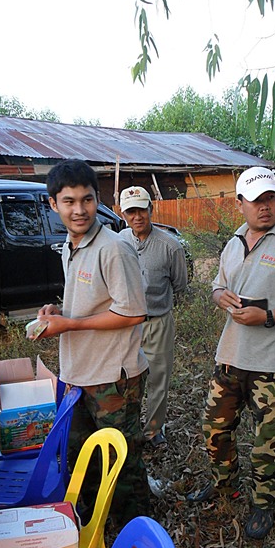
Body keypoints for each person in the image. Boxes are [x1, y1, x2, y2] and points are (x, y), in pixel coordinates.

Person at [187, 166, 275, 540]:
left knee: (266, 439)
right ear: (240, 204)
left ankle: (263, 504)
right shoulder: (233, 243)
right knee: (214, 428)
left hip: (272, 363)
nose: (265, 208)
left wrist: (267, 315)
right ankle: (224, 486)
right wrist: (223, 299)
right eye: (256, 201)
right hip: (231, 355)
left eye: (271, 199)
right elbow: (217, 287)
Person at [34, 159, 150, 528]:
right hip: (80, 370)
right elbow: (94, 300)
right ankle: (95, 516)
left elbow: (133, 313)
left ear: (97, 200)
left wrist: (71, 323)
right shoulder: (72, 245)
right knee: (83, 451)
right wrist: (60, 310)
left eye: (86, 200)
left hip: (113, 374)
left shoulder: (113, 248)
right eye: (69, 201)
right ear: (53, 204)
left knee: (121, 456)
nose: (79, 209)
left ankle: (135, 529)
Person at [118, 186, 188, 447]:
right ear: (123, 214)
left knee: (158, 377)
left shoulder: (170, 246)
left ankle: (153, 430)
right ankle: (129, 431)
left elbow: (180, 283)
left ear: (151, 209)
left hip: (157, 320)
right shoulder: (119, 242)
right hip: (124, 323)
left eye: (142, 210)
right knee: (126, 378)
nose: (137, 216)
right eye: (131, 211)